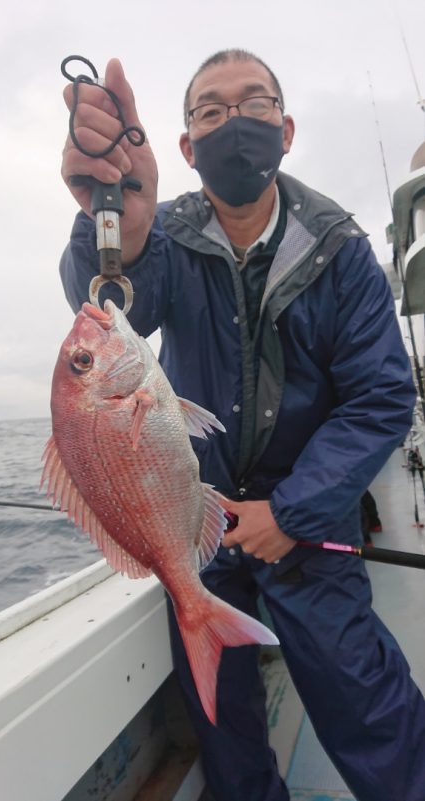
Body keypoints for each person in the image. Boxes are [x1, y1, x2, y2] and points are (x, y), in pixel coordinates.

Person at [59, 50, 425, 801]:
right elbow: (114, 297)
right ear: (187, 147)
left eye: (254, 105)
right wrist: (115, 230)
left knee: (362, 695)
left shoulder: (341, 248)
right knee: (221, 719)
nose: (235, 122)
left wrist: (292, 510)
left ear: (285, 130)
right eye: (210, 111)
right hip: (197, 516)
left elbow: (381, 397)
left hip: (309, 518)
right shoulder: (162, 233)